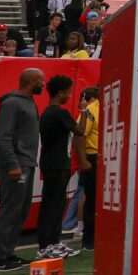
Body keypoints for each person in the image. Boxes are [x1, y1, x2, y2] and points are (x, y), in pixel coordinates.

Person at [0, 68, 44, 273]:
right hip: (16, 165)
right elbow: (3, 137)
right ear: (31, 81)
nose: (43, 85)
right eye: (41, 81)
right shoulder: (12, 103)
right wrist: (13, 164)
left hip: (26, 163)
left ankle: (8, 253)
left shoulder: (28, 102)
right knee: (9, 210)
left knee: (20, 211)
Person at [36, 76, 81, 260]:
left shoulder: (48, 112)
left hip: (52, 162)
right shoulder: (58, 113)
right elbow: (80, 130)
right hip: (57, 163)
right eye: (68, 92)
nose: (70, 96)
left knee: (56, 204)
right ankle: (46, 246)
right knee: (52, 205)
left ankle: (53, 243)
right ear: (60, 93)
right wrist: (86, 111)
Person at [76, 86, 101, 250]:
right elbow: (80, 135)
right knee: (91, 198)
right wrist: (83, 160)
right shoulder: (91, 109)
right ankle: (88, 239)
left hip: (110, 156)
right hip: (93, 156)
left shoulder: (116, 105)